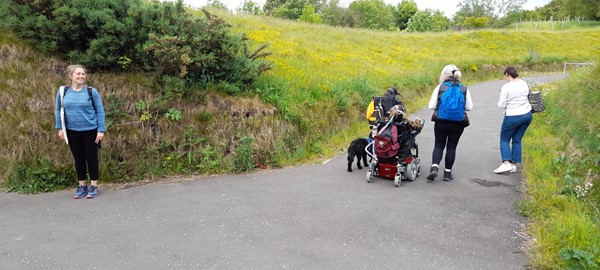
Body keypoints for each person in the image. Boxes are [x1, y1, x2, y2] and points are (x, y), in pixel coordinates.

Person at [55, 65, 106, 199]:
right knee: (78, 159)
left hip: (90, 131)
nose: (81, 76)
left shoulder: (91, 91)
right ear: (70, 76)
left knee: (92, 159)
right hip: (72, 132)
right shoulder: (63, 92)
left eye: (83, 74)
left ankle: (93, 186)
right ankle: (82, 186)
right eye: (78, 74)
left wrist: (100, 130)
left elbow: (100, 111)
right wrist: (59, 128)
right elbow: (58, 110)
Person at [426, 64, 473, 181]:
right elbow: (469, 108)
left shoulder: (440, 87)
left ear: (444, 74)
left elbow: (431, 106)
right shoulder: (464, 89)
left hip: (441, 121)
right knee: (452, 147)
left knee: (438, 145)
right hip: (458, 122)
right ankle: (447, 174)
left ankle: (434, 168)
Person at [493, 66, 532, 174]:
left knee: (504, 139)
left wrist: (501, 95)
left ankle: (506, 163)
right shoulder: (524, 83)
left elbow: (501, 105)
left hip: (513, 116)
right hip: (527, 114)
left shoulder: (506, 87)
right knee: (517, 139)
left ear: (507, 75)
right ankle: (514, 165)